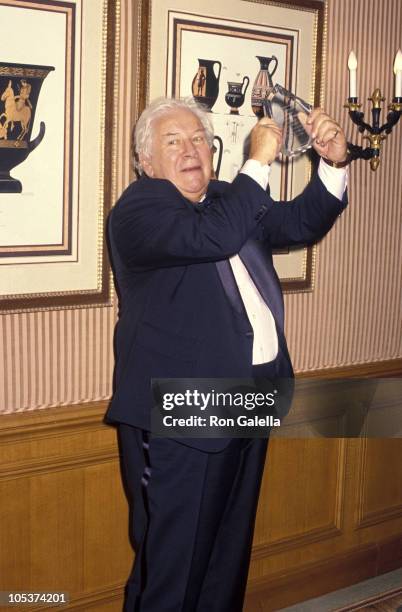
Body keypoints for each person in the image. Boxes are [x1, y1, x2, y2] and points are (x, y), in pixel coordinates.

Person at [106, 96, 348, 611]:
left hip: (251, 397)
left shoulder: (226, 200)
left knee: (225, 554)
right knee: (174, 565)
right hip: (184, 409)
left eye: (199, 139)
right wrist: (257, 162)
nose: (191, 150)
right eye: (174, 142)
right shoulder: (138, 208)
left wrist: (331, 163)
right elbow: (211, 238)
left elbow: (298, 224)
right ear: (145, 162)